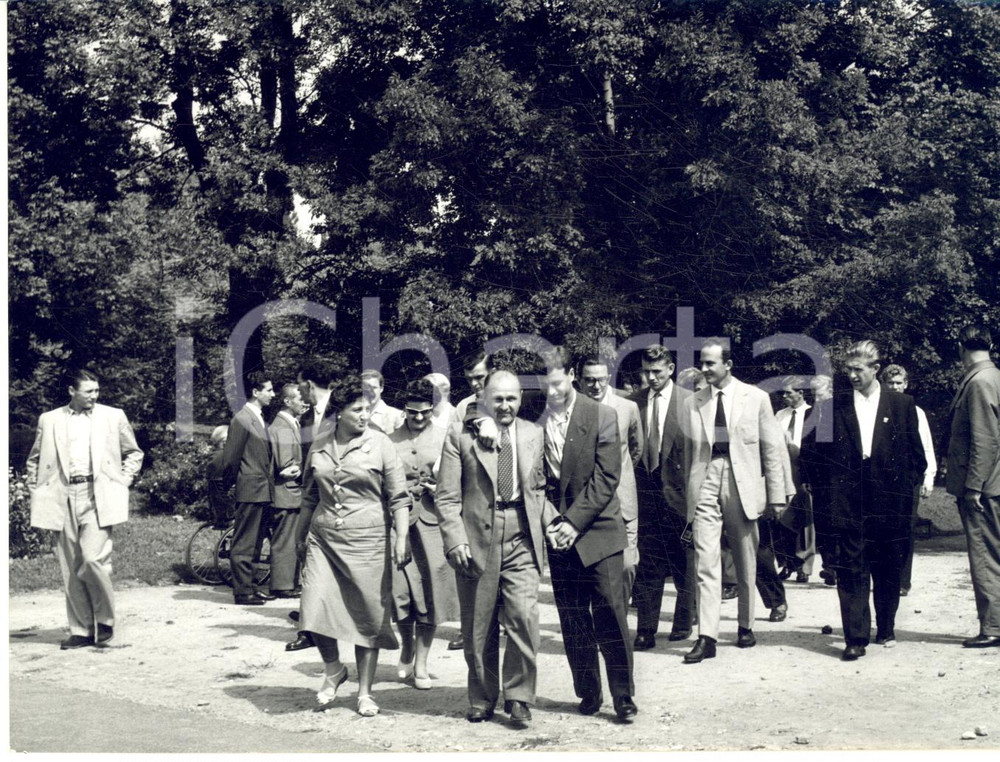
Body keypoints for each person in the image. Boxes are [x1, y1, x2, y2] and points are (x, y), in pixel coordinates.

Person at [435, 370, 553, 726]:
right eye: (498, 399)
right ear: (485, 399)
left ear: (520, 399)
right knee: (478, 624)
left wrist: (553, 524)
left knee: (523, 617)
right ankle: (483, 697)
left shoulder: (534, 434)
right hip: (476, 537)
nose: (505, 406)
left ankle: (518, 697)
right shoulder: (461, 435)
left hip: (521, 534)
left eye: (511, 399)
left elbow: (539, 490)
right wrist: (455, 538)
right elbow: (446, 495)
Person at [295, 375, 410, 717]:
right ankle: (334, 669)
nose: (365, 415)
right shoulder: (319, 444)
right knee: (313, 608)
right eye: (357, 409)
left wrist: (401, 537)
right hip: (324, 538)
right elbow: (309, 496)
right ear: (339, 413)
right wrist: (299, 538)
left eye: (366, 408)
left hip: (369, 542)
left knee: (367, 616)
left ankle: (365, 692)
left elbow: (399, 497)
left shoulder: (381, 444)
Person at [541, 347, 637, 721]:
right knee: (573, 619)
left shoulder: (603, 416)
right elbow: (535, 482)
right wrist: (553, 522)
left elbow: (607, 478)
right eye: (544, 385)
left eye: (557, 382)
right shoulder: (535, 421)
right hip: (558, 536)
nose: (551, 391)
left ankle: (623, 696)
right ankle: (588, 693)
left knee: (611, 616)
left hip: (599, 531)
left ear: (571, 377)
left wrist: (573, 522)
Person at [682, 339, 790, 664]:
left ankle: (745, 625)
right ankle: (707, 636)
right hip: (705, 479)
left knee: (745, 556)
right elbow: (690, 454)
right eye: (702, 362)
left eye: (710, 363)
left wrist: (777, 494)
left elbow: (771, 449)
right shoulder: (693, 402)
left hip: (741, 480)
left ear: (727, 365)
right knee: (705, 558)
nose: (704, 369)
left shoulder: (755, 398)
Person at [25, 369, 144, 650]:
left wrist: (123, 481)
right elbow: (34, 460)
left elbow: (134, 452)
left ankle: (105, 620)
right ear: (71, 391)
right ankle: (80, 629)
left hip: (98, 494)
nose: (95, 396)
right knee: (70, 565)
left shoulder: (113, 416)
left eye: (97, 391)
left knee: (91, 559)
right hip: (62, 496)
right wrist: (37, 490)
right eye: (89, 391)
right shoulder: (50, 420)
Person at [829, 341, 926, 660]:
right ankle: (855, 637)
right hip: (849, 499)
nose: (852, 375)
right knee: (852, 566)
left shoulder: (902, 404)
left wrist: (903, 490)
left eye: (859, 369)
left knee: (887, 565)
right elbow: (816, 457)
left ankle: (886, 625)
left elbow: (917, 458)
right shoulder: (834, 406)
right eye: (849, 369)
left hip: (889, 500)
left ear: (875, 369)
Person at [388, 379, 461, 690]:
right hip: (398, 524)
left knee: (432, 593)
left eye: (425, 413)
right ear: (404, 410)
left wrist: (439, 487)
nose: (418, 418)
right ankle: (406, 644)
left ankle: (422, 661)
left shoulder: (446, 438)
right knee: (400, 591)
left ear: (433, 409)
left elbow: (457, 481)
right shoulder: (388, 439)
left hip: (432, 523)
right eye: (412, 413)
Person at [629, 345, 696, 649]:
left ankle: (683, 619)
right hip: (645, 494)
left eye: (657, 371)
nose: (651, 377)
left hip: (680, 496)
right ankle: (646, 628)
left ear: (670, 369)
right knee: (648, 564)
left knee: (684, 562)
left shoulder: (691, 402)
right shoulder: (634, 403)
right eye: (646, 371)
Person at [944, 324, 1000, 649]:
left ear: (960, 346)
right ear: (989, 344)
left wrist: (974, 487)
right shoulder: (993, 376)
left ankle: (993, 626)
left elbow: (985, 439)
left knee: (985, 555)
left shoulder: (978, 382)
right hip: (994, 482)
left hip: (985, 487)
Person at [578, 355, 644, 600]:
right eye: (590, 380)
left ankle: (619, 624)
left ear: (608, 379)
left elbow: (636, 449)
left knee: (627, 566)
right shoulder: (573, 410)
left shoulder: (628, 407)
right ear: (579, 381)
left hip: (622, 501)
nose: (596, 386)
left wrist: (619, 475)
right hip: (586, 505)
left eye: (601, 380)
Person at [879, 364, 937, 596]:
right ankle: (884, 577)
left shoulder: (916, 411)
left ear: (906, 384)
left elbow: (925, 446)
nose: (894, 387)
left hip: (906, 480)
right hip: (881, 480)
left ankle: (903, 580)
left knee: (904, 529)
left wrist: (928, 477)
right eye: (890, 383)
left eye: (898, 383)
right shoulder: (876, 409)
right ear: (883, 385)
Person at [221, 372, 277, 605]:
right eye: (269, 390)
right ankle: (243, 591)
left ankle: (252, 586)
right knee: (245, 541)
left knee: (255, 541)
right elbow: (231, 458)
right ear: (255, 392)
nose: (273, 395)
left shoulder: (258, 418)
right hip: (250, 489)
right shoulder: (242, 419)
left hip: (262, 490)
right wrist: (230, 484)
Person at [268, 383, 310, 598]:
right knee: (285, 540)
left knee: (288, 539)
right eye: (300, 399)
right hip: (287, 493)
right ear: (287, 401)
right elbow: (286, 468)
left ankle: (287, 583)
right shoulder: (283, 428)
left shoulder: (288, 424)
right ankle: (282, 585)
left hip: (289, 494)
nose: (305, 403)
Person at [773, 377, 816, 585]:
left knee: (804, 518)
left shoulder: (811, 414)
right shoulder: (780, 415)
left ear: (801, 393)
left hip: (802, 467)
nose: (784, 396)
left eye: (789, 392)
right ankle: (786, 562)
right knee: (782, 516)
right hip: (782, 468)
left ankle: (804, 565)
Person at [800, 374, 838, 586]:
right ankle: (829, 566)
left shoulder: (840, 411)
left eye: (819, 393)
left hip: (838, 476)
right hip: (817, 476)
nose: (815, 398)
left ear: (830, 391)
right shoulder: (808, 414)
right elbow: (805, 446)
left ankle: (838, 565)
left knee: (836, 519)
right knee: (822, 522)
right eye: (813, 394)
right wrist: (805, 476)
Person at [361, 369, 405, 435]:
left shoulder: (397, 416)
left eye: (374, 387)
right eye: (366, 388)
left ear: (381, 388)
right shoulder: (355, 415)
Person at [206, 425, 234, 528]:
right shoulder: (228, 457)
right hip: (230, 504)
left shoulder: (213, 457)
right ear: (225, 441)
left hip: (218, 507)